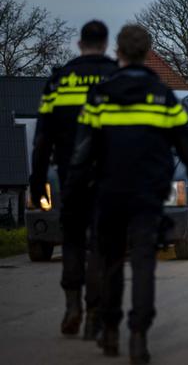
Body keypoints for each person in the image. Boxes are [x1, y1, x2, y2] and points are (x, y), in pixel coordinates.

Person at [64, 24, 188, 363]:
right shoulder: (164, 97)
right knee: (144, 265)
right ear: (147, 53)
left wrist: (72, 191)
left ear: (119, 53)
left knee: (111, 262)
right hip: (148, 195)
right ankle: (139, 336)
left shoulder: (100, 95)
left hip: (109, 193)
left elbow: (82, 153)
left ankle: (110, 330)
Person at [29, 20, 117, 340]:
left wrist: (37, 182)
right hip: (108, 180)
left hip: (70, 178)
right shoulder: (117, 79)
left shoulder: (58, 82)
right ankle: (94, 312)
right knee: (101, 246)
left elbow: (42, 140)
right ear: (105, 45)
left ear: (80, 44)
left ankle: (72, 306)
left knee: (73, 241)